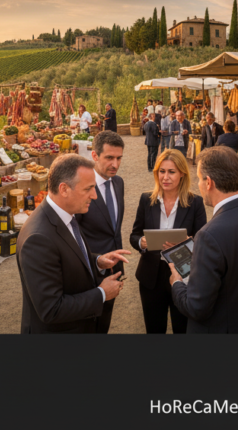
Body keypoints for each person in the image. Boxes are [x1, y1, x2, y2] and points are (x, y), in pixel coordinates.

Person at [17, 154, 132, 334]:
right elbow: (51, 309)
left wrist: (96, 261)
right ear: (64, 189)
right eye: (88, 189)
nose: (94, 196)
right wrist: (102, 294)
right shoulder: (38, 239)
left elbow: (67, 257)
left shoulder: (66, 213)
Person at [170, 146, 238, 333]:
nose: (198, 184)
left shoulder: (208, 235)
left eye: (198, 178)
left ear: (209, 182)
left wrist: (177, 283)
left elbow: (197, 308)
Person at [128, 149, 206, 334]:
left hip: (183, 275)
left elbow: (204, 241)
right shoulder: (146, 200)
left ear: (182, 174)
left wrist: (189, 243)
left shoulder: (195, 203)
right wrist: (142, 243)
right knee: (154, 329)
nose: (165, 177)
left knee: (182, 327)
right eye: (161, 171)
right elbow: (134, 235)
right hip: (151, 277)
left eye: (171, 172)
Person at [74, 130, 126, 334]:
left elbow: (114, 230)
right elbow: (73, 234)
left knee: (103, 326)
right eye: (109, 158)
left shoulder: (119, 182)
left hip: (114, 270)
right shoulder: (81, 187)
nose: (115, 164)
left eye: (119, 158)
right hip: (88, 274)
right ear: (94, 156)